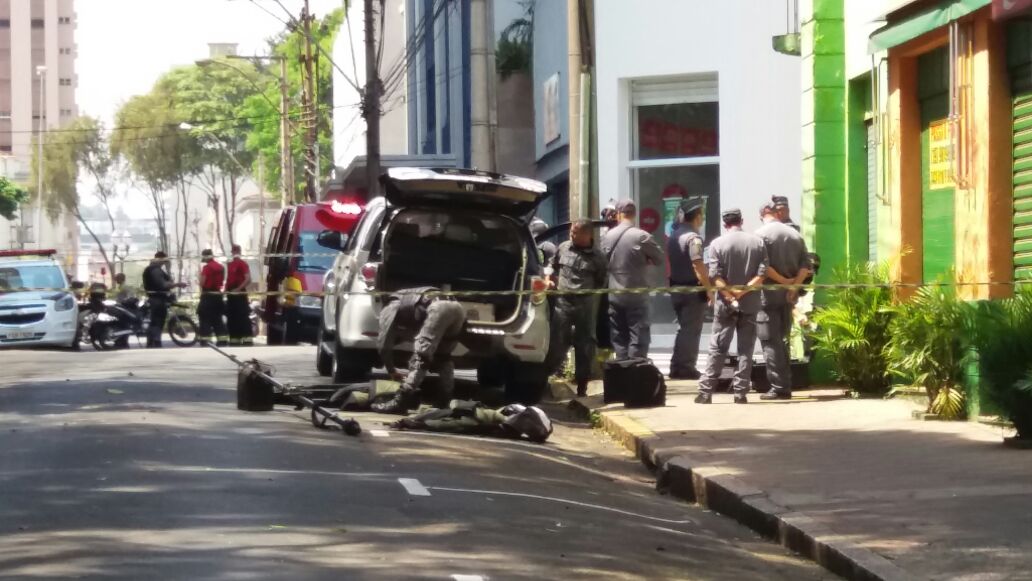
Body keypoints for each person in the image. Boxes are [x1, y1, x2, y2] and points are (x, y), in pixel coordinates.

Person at [696, 208, 769, 404]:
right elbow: (762, 275)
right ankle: (741, 393)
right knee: (746, 349)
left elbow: (714, 275)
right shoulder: (757, 242)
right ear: (741, 221)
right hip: (750, 302)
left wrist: (729, 295)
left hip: (725, 304)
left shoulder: (717, 244)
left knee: (718, 347)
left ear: (724, 224)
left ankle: (706, 392)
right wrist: (742, 292)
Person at [372, 288, 467, 415]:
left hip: (439, 309)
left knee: (421, 357)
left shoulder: (390, 307)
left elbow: (383, 344)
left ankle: (401, 401)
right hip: (457, 307)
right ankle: (445, 400)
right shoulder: (406, 298)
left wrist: (391, 370)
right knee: (443, 357)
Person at [755, 203, 811, 400]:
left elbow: (763, 267)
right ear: (777, 214)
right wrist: (794, 286)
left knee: (770, 341)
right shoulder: (795, 234)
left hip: (767, 296)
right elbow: (806, 265)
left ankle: (779, 387)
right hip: (789, 296)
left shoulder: (760, 235)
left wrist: (783, 281)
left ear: (762, 215)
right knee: (784, 340)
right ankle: (785, 384)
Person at [548, 219, 608, 397]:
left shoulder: (598, 256)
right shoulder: (564, 247)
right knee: (557, 340)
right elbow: (552, 265)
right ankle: (547, 375)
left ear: (587, 235)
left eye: (576, 233)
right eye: (571, 232)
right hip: (563, 302)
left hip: (585, 303)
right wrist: (549, 278)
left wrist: (588, 295)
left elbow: (601, 280)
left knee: (585, 345)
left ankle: (582, 385)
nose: (572, 235)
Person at [601, 199, 663, 360]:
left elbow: (602, 263)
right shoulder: (642, 236)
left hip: (614, 294)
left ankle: (622, 371)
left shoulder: (607, 237)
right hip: (637, 295)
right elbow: (659, 259)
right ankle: (636, 372)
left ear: (619, 214)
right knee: (639, 335)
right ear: (634, 214)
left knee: (619, 336)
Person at [667, 197, 711, 380]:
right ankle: (685, 368)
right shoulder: (693, 238)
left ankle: (676, 366)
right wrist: (708, 288)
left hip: (676, 288)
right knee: (691, 330)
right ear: (697, 217)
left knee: (683, 328)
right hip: (692, 290)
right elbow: (698, 264)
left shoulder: (674, 236)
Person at [142, 251, 186, 348]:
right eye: (164, 261)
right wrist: (177, 284)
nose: (165, 263)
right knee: (158, 321)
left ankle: (151, 342)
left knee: (155, 321)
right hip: (158, 299)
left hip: (155, 298)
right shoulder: (155, 270)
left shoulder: (152, 269)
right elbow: (163, 285)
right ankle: (156, 341)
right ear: (161, 259)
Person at [197, 249, 229, 347]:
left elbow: (202, 283)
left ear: (205, 256)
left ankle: (205, 341)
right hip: (218, 296)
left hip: (207, 296)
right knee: (217, 320)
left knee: (205, 319)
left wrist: (199, 279)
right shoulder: (221, 267)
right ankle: (222, 340)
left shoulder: (207, 268)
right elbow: (223, 280)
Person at [224, 244, 253, 346]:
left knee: (242, 316)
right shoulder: (230, 264)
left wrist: (238, 289)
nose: (234, 253)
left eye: (235, 251)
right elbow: (229, 279)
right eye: (233, 251)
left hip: (239, 294)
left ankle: (246, 339)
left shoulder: (242, 264)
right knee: (232, 317)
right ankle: (234, 339)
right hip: (231, 294)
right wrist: (226, 290)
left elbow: (248, 279)